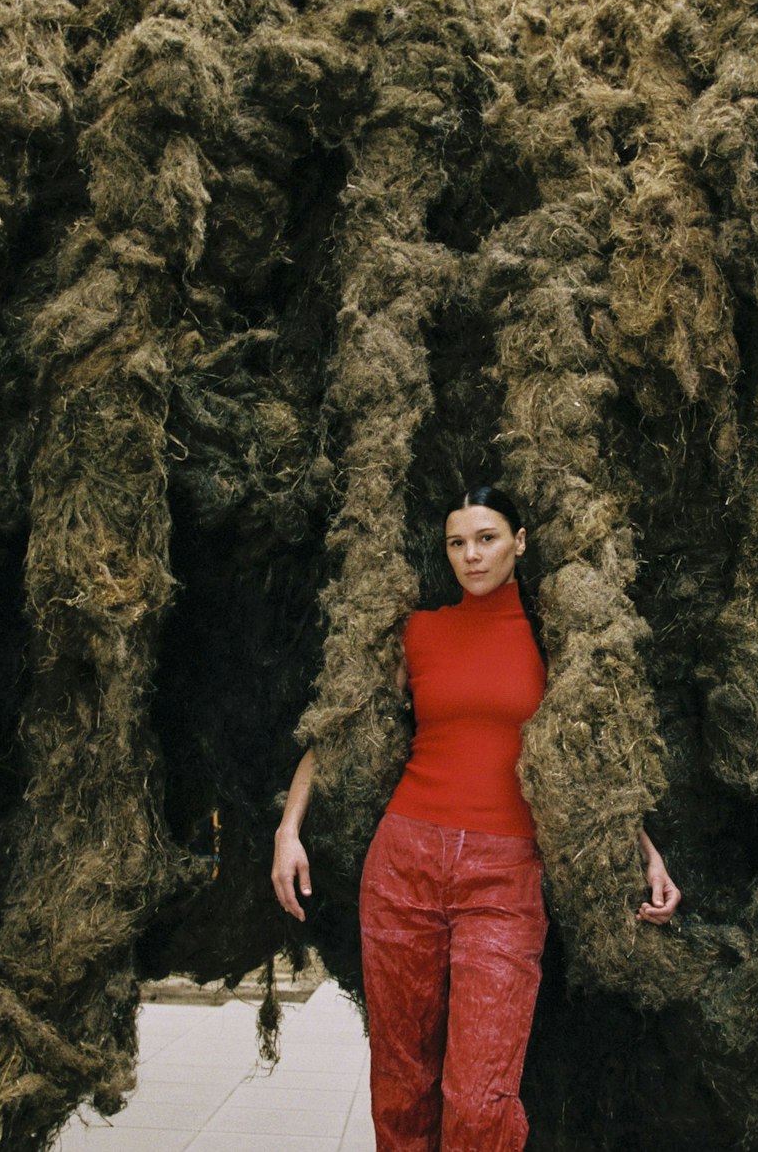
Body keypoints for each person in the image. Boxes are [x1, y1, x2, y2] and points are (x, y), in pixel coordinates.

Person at [273, 484, 681, 1151]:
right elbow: (341, 724)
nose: (471, 554)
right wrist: (288, 829)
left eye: (486, 538)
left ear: (519, 541)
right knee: (401, 1084)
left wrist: (647, 852)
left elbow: (589, 764)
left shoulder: (552, 641)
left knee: (480, 1098)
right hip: (404, 863)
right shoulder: (420, 632)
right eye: (457, 542)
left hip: (504, 878)